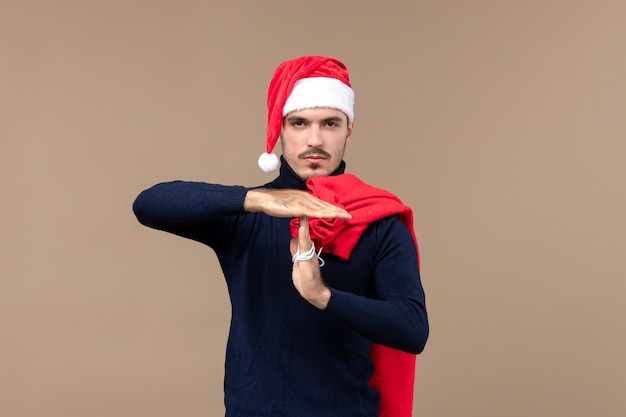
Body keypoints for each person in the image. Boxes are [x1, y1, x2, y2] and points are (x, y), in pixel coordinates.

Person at [133, 56, 428, 417]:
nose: (315, 140)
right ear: (280, 129)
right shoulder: (248, 217)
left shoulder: (378, 220)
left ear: (349, 129)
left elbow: (412, 329)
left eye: (330, 123)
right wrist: (257, 199)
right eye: (300, 123)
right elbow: (148, 204)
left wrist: (322, 296)